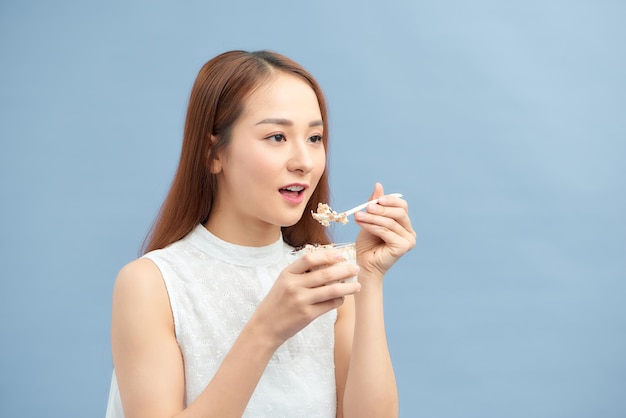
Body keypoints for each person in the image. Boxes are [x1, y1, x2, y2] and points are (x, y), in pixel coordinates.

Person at [105, 50, 416, 418]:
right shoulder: (151, 284)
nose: (304, 160)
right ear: (212, 153)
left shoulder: (326, 274)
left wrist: (370, 278)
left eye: (315, 138)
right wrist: (266, 331)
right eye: (277, 136)